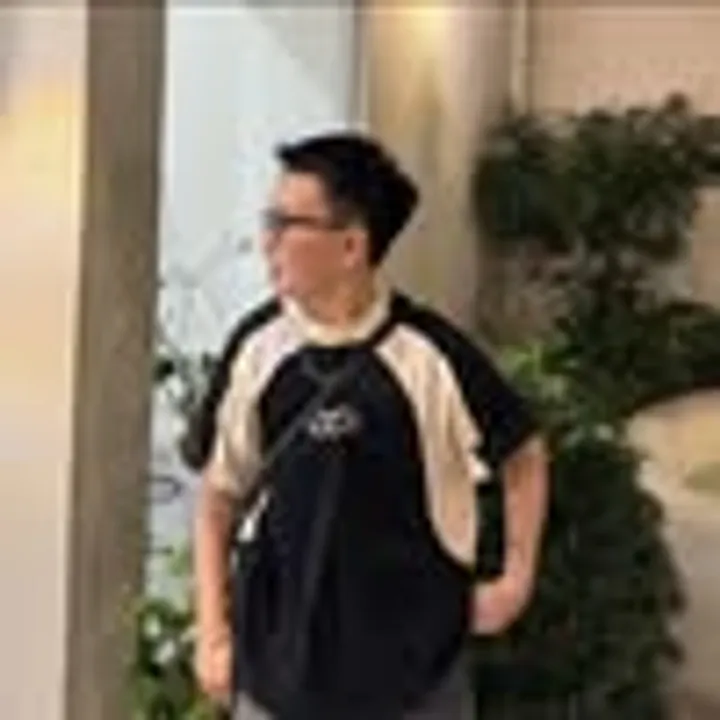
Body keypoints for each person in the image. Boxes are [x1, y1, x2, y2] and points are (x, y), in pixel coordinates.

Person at [187, 132, 548, 719]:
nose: (267, 241)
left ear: (352, 245)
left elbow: (523, 453)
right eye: (268, 220)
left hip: (416, 680)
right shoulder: (256, 349)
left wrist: (515, 579)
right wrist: (212, 633)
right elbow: (218, 496)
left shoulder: (431, 354)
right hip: (276, 675)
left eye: (285, 224)